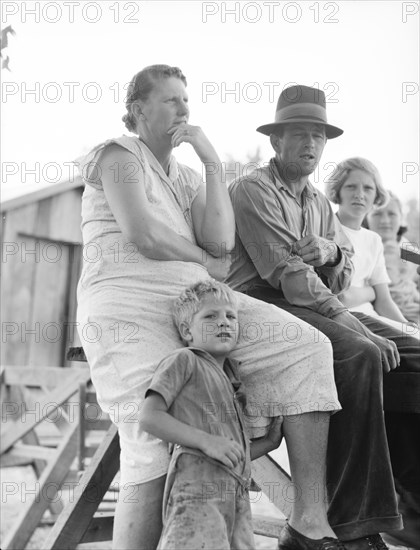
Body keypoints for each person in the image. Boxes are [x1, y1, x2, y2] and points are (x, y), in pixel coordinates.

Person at [77, 66, 343, 550]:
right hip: (126, 303)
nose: (184, 109)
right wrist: (202, 259)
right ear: (138, 110)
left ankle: (307, 520)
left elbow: (221, 240)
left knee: (306, 347)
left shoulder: (188, 174)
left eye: (187, 100)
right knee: (153, 436)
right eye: (171, 100)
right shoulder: (118, 155)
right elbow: (145, 234)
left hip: (198, 300)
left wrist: (213, 163)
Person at [226, 84, 420, 550]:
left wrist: (332, 253)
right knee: (357, 353)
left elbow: (338, 275)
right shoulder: (253, 189)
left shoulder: (315, 202)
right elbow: (289, 278)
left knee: (414, 356)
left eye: (318, 135)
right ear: (276, 141)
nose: (310, 144)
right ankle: (355, 520)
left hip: (312, 302)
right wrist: (351, 320)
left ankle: (410, 504)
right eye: (298, 133)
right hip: (260, 302)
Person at [140, 280, 283, 549]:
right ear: (187, 331)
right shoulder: (184, 360)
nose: (223, 322)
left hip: (235, 494)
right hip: (196, 486)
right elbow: (150, 417)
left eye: (231, 316)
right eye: (210, 316)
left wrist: (269, 444)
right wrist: (206, 441)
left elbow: (229, 454)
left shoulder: (232, 379)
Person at [324, 157, 418, 337]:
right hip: (346, 320)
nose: (359, 194)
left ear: (376, 195)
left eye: (368, 188)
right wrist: (371, 291)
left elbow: (384, 300)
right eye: (351, 186)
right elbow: (340, 297)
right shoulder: (326, 229)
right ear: (338, 191)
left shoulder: (375, 241)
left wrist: (409, 327)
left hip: (374, 317)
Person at [365, 190, 420, 325]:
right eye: (377, 213)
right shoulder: (364, 247)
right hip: (388, 317)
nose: (385, 221)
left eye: (392, 214)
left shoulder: (406, 249)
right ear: (366, 217)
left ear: (401, 218)